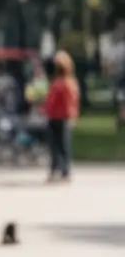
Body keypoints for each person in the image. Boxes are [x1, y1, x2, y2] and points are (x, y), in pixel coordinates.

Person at [45, 48, 81, 180]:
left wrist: (72, 116)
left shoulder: (67, 83)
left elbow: (71, 103)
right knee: (54, 145)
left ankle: (65, 170)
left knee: (63, 145)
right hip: (54, 116)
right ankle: (55, 168)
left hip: (63, 117)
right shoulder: (58, 82)